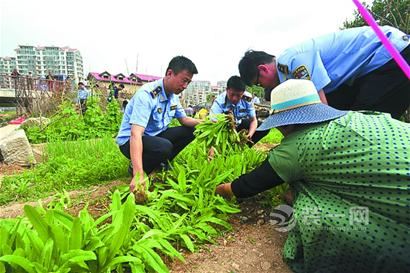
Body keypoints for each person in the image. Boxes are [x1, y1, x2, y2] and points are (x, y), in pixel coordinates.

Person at [215, 79, 410, 272]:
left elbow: (245, 186)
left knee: (306, 205)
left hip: (401, 233)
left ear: (284, 124)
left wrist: (216, 189)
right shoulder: (354, 117)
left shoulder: (298, 146)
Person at [238, 25, 410, 119]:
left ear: (263, 69)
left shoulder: (290, 61)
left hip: (390, 53)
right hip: (376, 64)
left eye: (259, 83)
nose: (263, 87)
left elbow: (321, 107)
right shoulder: (288, 72)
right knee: (352, 117)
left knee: (364, 123)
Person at [116, 56, 201, 195]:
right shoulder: (147, 95)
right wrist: (138, 175)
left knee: (192, 130)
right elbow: (135, 134)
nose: (185, 86)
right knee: (164, 146)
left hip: (154, 137)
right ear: (169, 73)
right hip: (130, 142)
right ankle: (136, 167)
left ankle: (160, 163)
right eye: (184, 80)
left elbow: (184, 120)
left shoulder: (173, 96)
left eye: (188, 82)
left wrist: (208, 122)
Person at [210, 75, 269, 144]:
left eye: (238, 95)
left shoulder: (247, 99)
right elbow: (213, 125)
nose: (234, 98)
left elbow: (253, 120)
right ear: (227, 90)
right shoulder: (219, 102)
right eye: (232, 94)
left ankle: (244, 146)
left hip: (239, 124)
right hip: (225, 129)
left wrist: (249, 136)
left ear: (243, 93)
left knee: (264, 126)